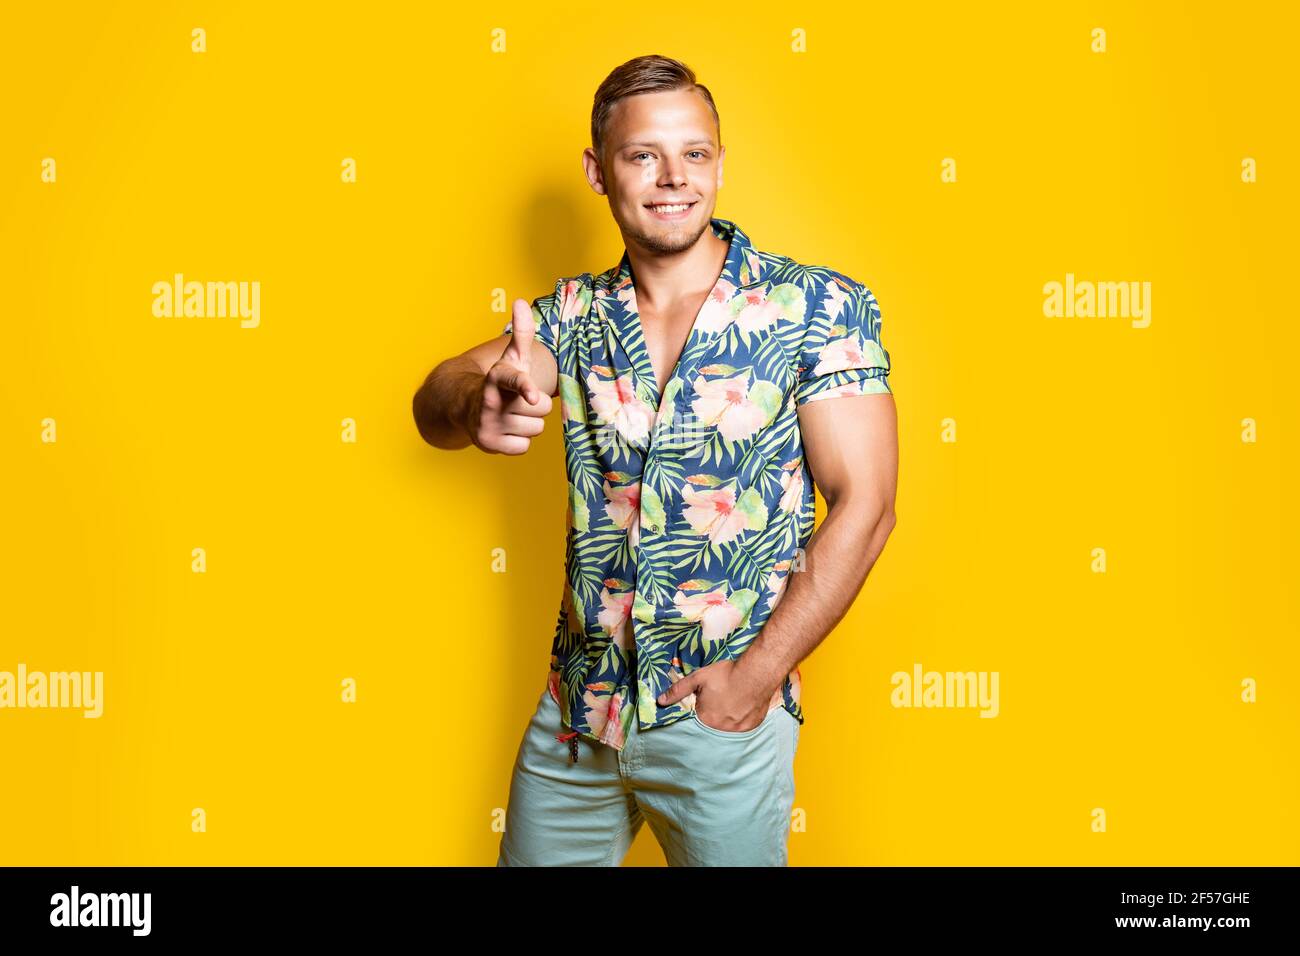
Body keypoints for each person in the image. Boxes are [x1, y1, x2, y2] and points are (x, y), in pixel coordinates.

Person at [412, 54, 898, 866]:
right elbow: (437, 400)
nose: (674, 177)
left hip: (722, 721)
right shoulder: (571, 315)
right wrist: (476, 403)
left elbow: (868, 504)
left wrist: (753, 684)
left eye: (695, 153)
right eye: (643, 155)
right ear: (597, 172)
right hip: (580, 719)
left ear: (717, 161)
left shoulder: (815, 307)